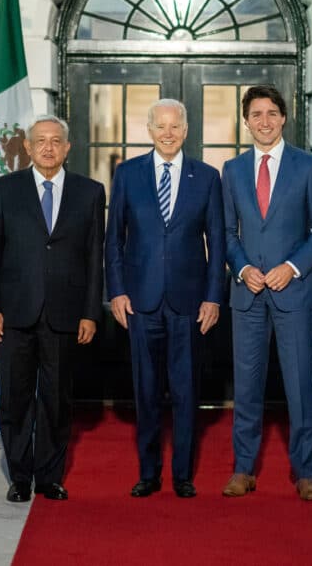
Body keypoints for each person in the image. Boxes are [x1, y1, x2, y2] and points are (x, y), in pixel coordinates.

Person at [0, 115, 105, 503]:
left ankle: (50, 477)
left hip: (66, 314)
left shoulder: (90, 192)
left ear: (68, 148)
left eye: (56, 141)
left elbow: (94, 256)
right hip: (14, 313)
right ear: (29, 148)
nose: (48, 147)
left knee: (56, 400)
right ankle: (19, 478)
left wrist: (90, 312)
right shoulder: (5, 189)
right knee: (15, 399)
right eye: (40, 141)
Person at [105, 99, 226, 499]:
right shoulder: (127, 174)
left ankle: (183, 475)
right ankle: (149, 473)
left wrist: (213, 298)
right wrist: (117, 290)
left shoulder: (207, 177)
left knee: (187, 393)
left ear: (186, 130)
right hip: (140, 302)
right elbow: (114, 242)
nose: (168, 133)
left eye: (175, 126)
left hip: (190, 305)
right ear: (150, 130)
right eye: (161, 126)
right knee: (146, 391)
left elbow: (218, 244)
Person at [220, 85, 312, 501]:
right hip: (247, 295)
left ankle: (305, 473)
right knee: (247, 386)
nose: (264, 121)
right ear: (246, 121)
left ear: (283, 118)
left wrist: (291, 267)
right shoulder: (232, 170)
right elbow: (225, 233)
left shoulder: (308, 167)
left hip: (294, 292)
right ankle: (243, 470)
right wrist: (244, 267)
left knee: (299, 385)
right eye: (256, 114)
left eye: (271, 113)